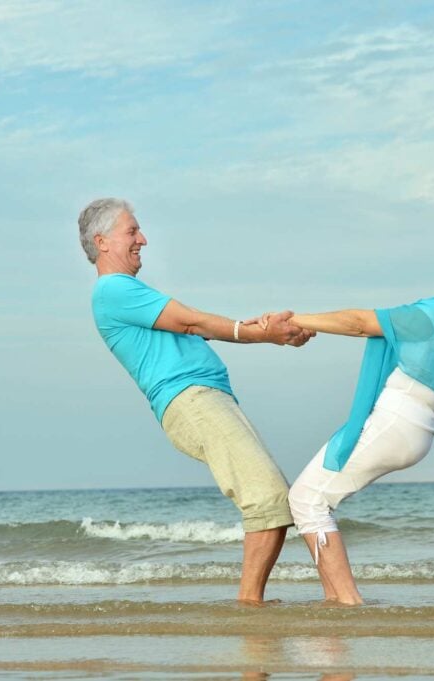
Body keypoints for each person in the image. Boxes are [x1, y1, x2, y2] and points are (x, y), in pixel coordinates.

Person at [77, 198, 314, 604]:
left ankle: (253, 603)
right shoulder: (113, 289)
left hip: (205, 399)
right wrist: (263, 333)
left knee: (273, 498)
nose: (143, 240)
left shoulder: (129, 292)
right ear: (102, 241)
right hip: (191, 400)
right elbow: (192, 321)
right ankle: (249, 607)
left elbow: (204, 328)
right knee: (269, 497)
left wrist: (265, 329)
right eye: (132, 231)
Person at [284, 248, 434, 605]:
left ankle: (349, 605)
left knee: (307, 499)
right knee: (314, 501)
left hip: (397, 420)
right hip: (410, 425)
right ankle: (335, 603)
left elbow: (359, 322)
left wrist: (294, 319)